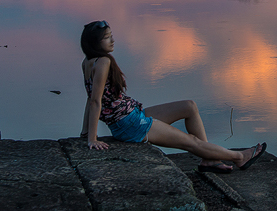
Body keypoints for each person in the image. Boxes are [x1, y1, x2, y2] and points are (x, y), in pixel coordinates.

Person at [80, 20, 265, 173]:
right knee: (191, 142)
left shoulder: (87, 62)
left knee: (189, 106)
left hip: (132, 117)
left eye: (111, 35)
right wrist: (92, 138)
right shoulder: (103, 62)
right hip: (130, 125)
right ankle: (240, 157)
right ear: (94, 43)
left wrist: (85, 131)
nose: (112, 40)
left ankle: (210, 160)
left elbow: (91, 99)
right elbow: (95, 101)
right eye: (106, 38)